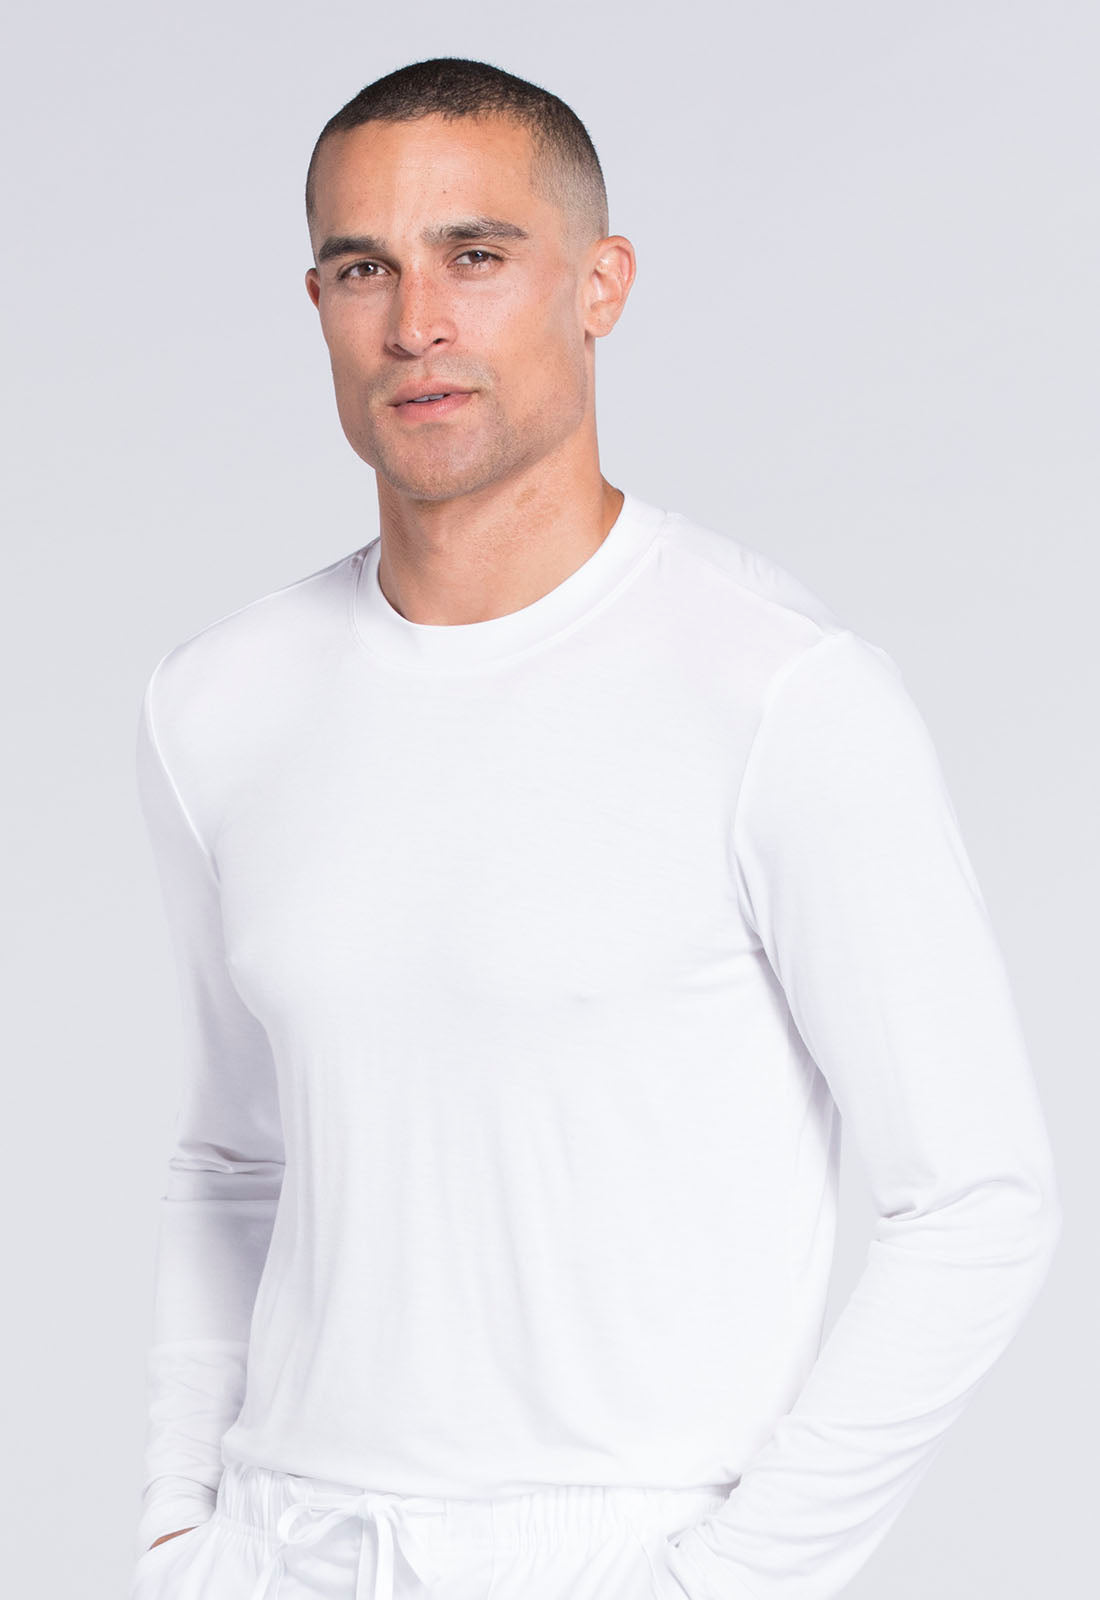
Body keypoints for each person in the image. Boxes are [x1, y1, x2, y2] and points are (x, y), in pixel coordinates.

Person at [129, 55, 1062, 1600]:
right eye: (364, 268)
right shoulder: (217, 703)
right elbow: (232, 1156)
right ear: (320, 304)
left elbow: (979, 1202)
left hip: (616, 1549)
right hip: (280, 1545)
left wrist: (724, 1581)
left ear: (600, 284)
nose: (415, 323)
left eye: (475, 256)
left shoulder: (776, 693)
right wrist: (178, 1532)